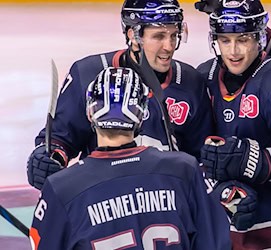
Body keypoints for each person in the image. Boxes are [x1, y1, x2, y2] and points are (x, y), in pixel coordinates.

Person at [29, 67, 231, 250]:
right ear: (142, 114)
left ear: (90, 112)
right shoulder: (185, 170)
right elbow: (215, 241)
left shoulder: (62, 188)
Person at [27, 0, 213, 190]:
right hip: (104, 202)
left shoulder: (191, 81)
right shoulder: (89, 74)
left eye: (174, 35)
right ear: (133, 35)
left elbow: (202, 156)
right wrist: (47, 159)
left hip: (166, 203)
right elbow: (61, 137)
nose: (169, 46)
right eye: (159, 36)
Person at [196, 0, 271, 249]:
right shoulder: (202, 77)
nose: (233, 51)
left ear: (259, 38)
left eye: (242, 39)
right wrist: (221, 187)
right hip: (221, 215)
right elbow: (191, 152)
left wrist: (255, 162)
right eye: (225, 40)